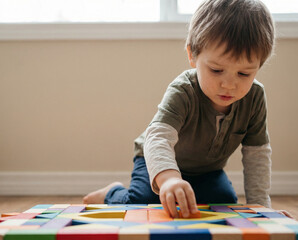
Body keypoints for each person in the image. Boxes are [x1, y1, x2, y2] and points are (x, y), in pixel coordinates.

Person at [83, 0, 275, 218]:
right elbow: (158, 138)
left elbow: (257, 156)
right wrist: (169, 178)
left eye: (244, 74)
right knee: (141, 203)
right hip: (156, 162)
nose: (229, 85)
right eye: (216, 70)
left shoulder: (255, 97)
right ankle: (112, 193)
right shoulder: (183, 91)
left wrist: (261, 208)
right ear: (192, 55)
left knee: (225, 205)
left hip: (206, 171)